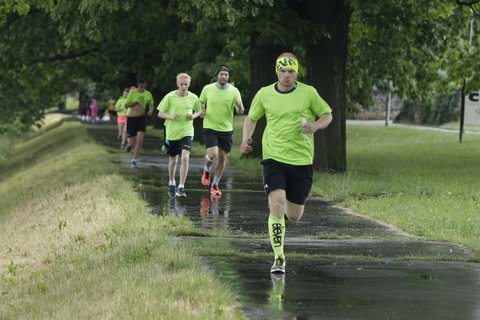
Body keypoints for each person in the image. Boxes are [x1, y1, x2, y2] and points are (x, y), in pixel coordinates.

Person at [240, 52, 333, 274]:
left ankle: (278, 226)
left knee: (294, 215)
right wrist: (246, 138)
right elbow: (251, 118)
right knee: (277, 204)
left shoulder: (308, 93)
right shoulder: (264, 94)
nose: (286, 75)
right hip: (273, 158)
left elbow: (327, 114)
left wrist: (315, 125)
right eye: (282, 70)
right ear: (276, 71)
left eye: (290, 71)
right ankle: (279, 257)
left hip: (301, 160)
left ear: (296, 73)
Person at [199, 65, 244, 196]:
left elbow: (240, 110)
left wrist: (240, 107)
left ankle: (215, 185)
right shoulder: (208, 88)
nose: (223, 76)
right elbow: (201, 101)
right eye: (221, 74)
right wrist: (202, 110)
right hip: (210, 126)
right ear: (217, 75)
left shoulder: (234, 91)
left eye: (226, 75)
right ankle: (207, 169)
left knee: (223, 158)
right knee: (213, 154)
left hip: (226, 129)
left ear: (228, 77)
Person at [157, 73, 203, 198]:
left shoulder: (193, 97)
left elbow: (200, 111)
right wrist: (171, 116)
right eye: (181, 84)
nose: (184, 87)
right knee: (173, 160)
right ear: (177, 84)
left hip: (187, 131)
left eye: (186, 84)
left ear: (189, 84)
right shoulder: (169, 97)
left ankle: (181, 186)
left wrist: (193, 116)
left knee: (185, 157)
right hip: (172, 132)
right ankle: (172, 181)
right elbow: (160, 113)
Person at [124, 78, 154, 168]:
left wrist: (150, 111)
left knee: (140, 141)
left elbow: (151, 104)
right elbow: (126, 105)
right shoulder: (132, 93)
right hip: (131, 118)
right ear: (138, 85)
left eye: (144, 86)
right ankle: (129, 145)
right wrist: (134, 103)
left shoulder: (148, 94)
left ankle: (134, 160)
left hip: (141, 118)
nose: (142, 88)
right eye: (141, 86)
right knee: (132, 142)